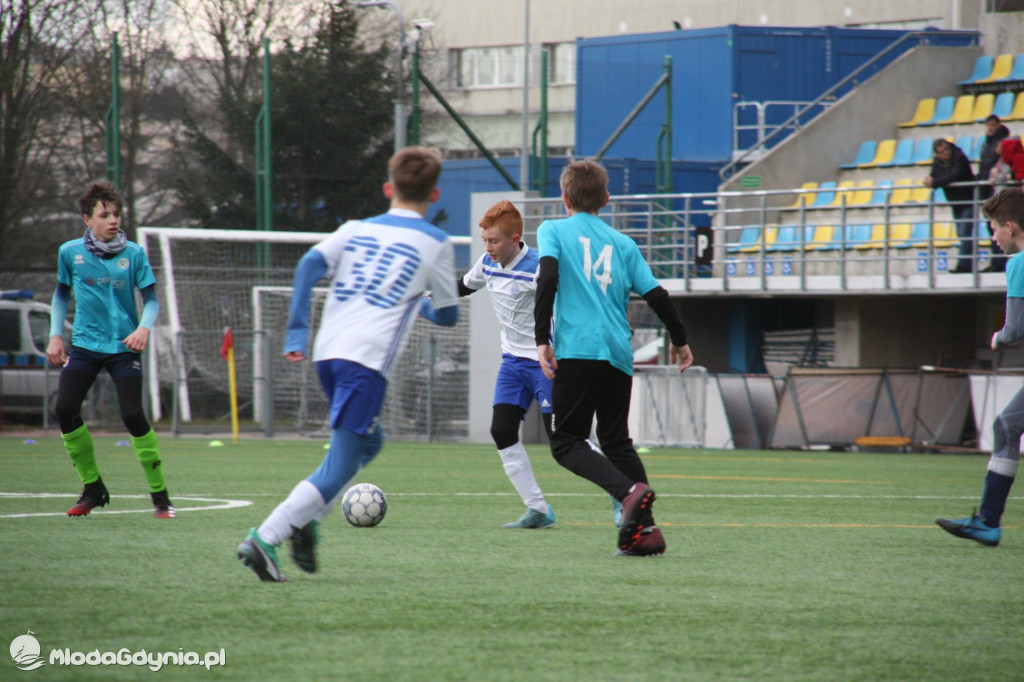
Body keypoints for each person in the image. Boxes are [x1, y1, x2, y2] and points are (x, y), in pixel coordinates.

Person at [237, 147, 459, 582]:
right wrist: (425, 306)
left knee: (369, 443)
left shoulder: (355, 228)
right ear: (434, 195)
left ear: (388, 188)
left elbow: (309, 263)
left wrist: (297, 329)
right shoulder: (437, 243)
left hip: (328, 352)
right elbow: (449, 315)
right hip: (366, 361)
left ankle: (302, 520)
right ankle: (268, 536)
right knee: (339, 466)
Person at [534, 159, 693, 557]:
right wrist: (680, 339)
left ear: (564, 198)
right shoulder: (624, 244)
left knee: (566, 442)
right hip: (619, 353)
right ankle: (646, 532)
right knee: (616, 441)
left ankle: (628, 493)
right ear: (606, 199)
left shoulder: (552, 229)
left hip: (579, 349)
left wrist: (541, 340)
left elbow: (548, 277)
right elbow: (657, 295)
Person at [48, 180, 174, 519]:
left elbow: (151, 300)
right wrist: (55, 335)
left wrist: (143, 328)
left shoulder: (133, 254)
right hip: (86, 345)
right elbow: (61, 295)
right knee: (65, 408)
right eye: (105, 215)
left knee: (133, 414)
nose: (113, 220)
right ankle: (93, 489)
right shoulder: (69, 252)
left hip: (123, 347)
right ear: (87, 219)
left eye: (116, 214)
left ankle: (161, 498)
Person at [458, 201, 557, 528]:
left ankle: (620, 495)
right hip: (513, 363)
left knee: (562, 438)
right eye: (484, 240)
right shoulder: (487, 263)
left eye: (495, 241)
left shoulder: (539, 265)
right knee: (501, 430)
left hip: (545, 363)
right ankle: (538, 509)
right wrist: (432, 296)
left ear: (516, 238)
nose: (488, 247)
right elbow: (464, 286)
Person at [937, 187, 1024, 546]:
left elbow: (1016, 329)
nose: (993, 237)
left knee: (1006, 426)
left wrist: (998, 338)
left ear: (1010, 226)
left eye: (993, 229)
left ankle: (988, 522)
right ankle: (987, 521)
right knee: (1006, 425)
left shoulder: (1018, 263)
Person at [924, 137, 977, 273]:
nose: (946, 153)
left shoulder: (959, 156)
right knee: (961, 234)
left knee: (965, 233)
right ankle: (968, 264)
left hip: (968, 200)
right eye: (942, 151)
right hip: (955, 203)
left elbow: (955, 176)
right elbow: (934, 176)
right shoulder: (938, 162)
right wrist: (930, 180)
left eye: (947, 149)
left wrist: (935, 182)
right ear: (937, 154)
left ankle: (964, 266)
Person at [978, 115, 1010, 271]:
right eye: (987, 125)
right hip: (986, 190)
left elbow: (1006, 165)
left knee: (999, 226)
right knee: (991, 227)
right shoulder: (986, 144)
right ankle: (996, 261)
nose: (990, 128)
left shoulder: (1004, 142)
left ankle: (1000, 261)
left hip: (996, 190)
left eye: (992, 125)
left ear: (998, 125)